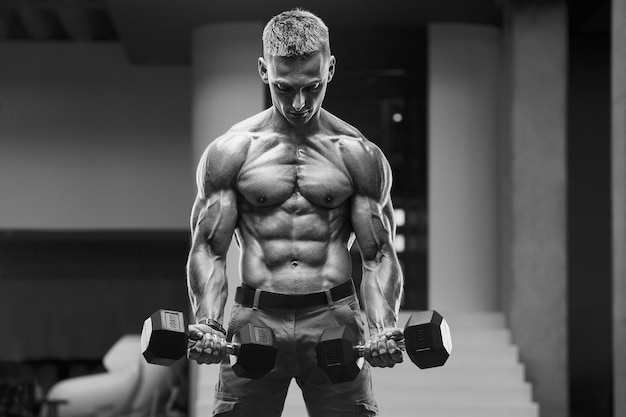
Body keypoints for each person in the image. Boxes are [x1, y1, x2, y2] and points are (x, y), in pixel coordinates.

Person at [186, 9, 404, 417]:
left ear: (330, 68)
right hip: (256, 317)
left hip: (334, 317)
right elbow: (208, 248)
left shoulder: (357, 154)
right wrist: (210, 324)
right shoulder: (232, 152)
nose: (299, 103)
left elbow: (378, 254)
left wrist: (383, 328)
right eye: (285, 88)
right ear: (264, 71)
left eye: (313, 86)